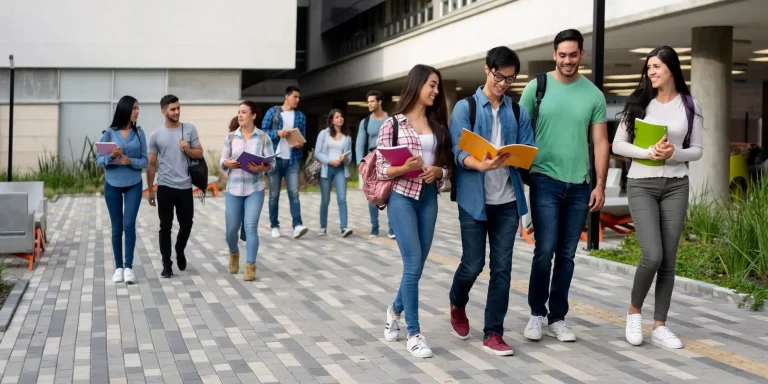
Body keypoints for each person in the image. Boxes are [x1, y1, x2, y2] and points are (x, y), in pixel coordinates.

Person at [519, 29, 609, 342]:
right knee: (544, 249)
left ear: (581, 54)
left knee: (567, 254)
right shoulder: (537, 87)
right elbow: (517, 128)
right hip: (544, 180)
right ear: (554, 55)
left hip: (579, 186)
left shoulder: (594, 95)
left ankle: (557, 317)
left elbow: (600, 142)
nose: (567, 60)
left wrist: (600, 184)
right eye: (562, 55)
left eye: (573, 55)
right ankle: (536, 313)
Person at [613, 46, 703, 349]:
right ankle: (633, 312)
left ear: (672, 69)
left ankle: (660, 326)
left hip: (676, 185)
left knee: (669, 259)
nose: (651, 72)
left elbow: (697, 150)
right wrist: (647, 152)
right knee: (652, 254)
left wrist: (674, 152)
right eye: (649, 67)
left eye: (656, 67)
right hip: (642, 184)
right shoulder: (639, 102)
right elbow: (618, 145)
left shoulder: (689, 104)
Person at [448, 47, 534, 356]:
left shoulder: (517, 111)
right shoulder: (465, 108)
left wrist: (519, 155)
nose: (503, 84)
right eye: (499, 76)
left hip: (507, 201)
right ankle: (457, 301)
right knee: (473, 264)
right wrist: (479, 164)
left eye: (510, 79)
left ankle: (493, 332)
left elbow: (528, 149)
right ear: (487, 69)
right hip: (474, 200)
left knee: (502, 269)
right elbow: (457, 152)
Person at [378, 64, 453, 358]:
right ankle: (414, 334)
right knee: (412, 264)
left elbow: (448, 167)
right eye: (431, 85)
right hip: (402, 198)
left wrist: (438, 171)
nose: (436, 91)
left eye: (437, 86)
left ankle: (394, 310)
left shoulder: (438, 125)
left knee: (418, 266)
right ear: (417, 84)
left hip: (429, 199)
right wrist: (403, 167)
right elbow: (381, 168)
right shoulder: (393, 124)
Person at [146, 94, 205, 278]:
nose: (177, 112)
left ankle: (179, 249)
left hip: (185, 186)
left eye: (178, 108)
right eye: (173, 109)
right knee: (165, 227)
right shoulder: (156, 134)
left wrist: (187, 148)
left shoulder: (189, 129)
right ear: (164, 111)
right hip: (165, 186)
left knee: (187, 224)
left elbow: (199, 153)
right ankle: (166, 264)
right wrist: (150, 190)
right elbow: (151, 164)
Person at [96, 95, 148, 284]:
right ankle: (118, 268)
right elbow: (98, 161)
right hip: (112, 184)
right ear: (125, 109)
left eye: (138, 108)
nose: (137, 111)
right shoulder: (109, 133)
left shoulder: (139, 133)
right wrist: (111, 157)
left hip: (134, 183)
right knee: (117, 227)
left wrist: (130, 161)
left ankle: (128, 268)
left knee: (129, 225)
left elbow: (145, 161)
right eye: (134, 108)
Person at [221, 101, 275, 281]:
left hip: (255, 189)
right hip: (234, 189)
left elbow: (272, 163)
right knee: (231, 230)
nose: (240, 115)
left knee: (251, 227)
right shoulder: (231, 137)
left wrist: (262, 168)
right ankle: (234, 252)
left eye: (244, 112)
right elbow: (222, 160)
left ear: (253, 115)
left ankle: (250, 265)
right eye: (239, 112)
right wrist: (227, 163)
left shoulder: (264, 138)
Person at [262, 86, 309, 239]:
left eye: (298, 97)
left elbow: (302, 137)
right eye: (295, 96)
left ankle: (297, 225)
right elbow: (263, 133)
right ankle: (274, 226)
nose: (297, 100)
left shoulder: (300, 116)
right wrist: (277, 133)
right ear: (287, 96)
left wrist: (300, 144)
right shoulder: (273, 112)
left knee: (294, 194)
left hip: (292, 160)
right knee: (274, 195)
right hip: (275, 160)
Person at [356, 90, 395, 239]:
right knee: (372, 195)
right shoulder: (365, 122)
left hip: (389, 162)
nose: (369, 104)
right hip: (372, 164)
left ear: (379, 102)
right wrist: (360, 163)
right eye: (368, 102)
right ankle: (374, 228)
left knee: (390, 195)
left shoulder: (390, 120)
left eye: (372, 101)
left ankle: (392, 229)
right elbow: (360, 144)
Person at [315, 109, 353, 237]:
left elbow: (350, 157)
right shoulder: (324, 134)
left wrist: (345, 159)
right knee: (325, 199)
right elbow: (317, 152)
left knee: (342, 198)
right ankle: (323, 227)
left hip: (340, 169)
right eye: (337, 117)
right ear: (332, 120)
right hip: (327, 168)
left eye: (341, 117)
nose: (340, 119)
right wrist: (329, 161)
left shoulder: (347, 137)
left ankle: (344, 227)